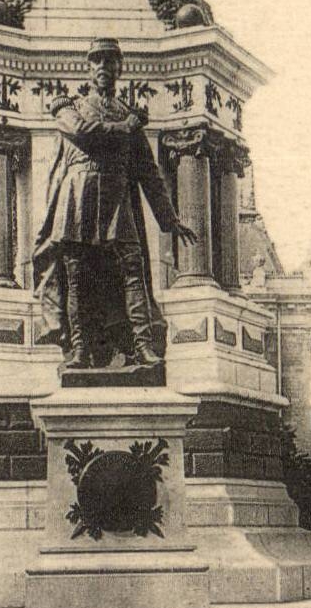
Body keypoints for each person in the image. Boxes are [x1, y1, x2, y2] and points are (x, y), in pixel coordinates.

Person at [33, 37, 196, 370]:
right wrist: (127, 127)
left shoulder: (129, 115)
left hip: (117, 198)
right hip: (78, 196)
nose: (103, 68)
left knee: (133, 270)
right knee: (76, 275)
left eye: (110, 62)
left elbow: (148, 171)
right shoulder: (70, 107)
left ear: (120, 68)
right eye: (97, 61)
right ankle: (79, 349)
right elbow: (83, 133)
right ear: (88, 69)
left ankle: (142, 346)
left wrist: (169, 218)